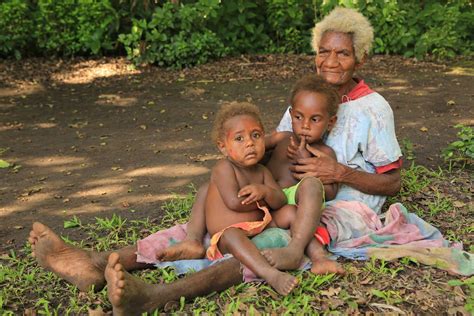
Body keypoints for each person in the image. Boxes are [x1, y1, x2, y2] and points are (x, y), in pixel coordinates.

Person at [28, 7, 402, 314]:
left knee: (258, 244)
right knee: (210, 223)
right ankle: (95, 264)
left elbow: (392, 181)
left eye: (343, 53)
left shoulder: (374, 108)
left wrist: (336, 171)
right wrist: (239, 164)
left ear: (361, 57)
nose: (331, 61)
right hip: (282, 195)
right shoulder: (307, 99)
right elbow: (276, 147)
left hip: (338, 206)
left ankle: (156, 296)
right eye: (324, 51)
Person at [202, 101, 297, 295]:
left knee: (292, 211)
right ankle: (271, 274)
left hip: (259, 226)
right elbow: (234, 202)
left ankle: (304, 250)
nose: (249, 143)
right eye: (239, 138)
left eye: (256, 135)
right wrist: (263, 198)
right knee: (232, 235)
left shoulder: (261, 171)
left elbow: (280, 201)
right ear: (223, 146)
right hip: (228, 236)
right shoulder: (224, 169)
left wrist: (266, 191)